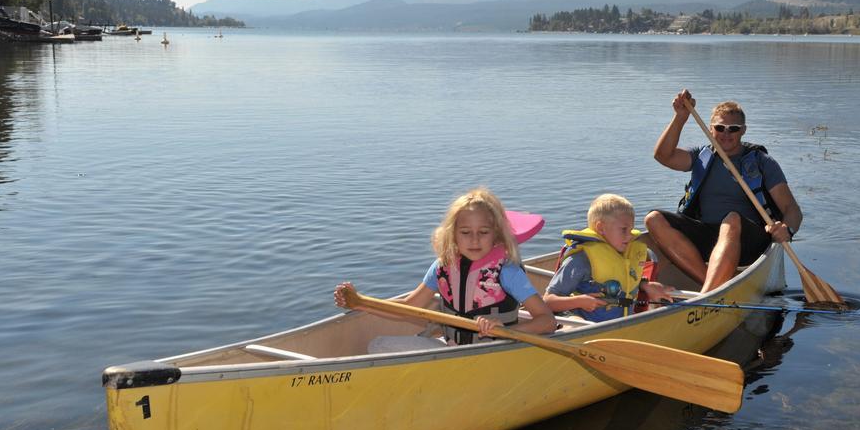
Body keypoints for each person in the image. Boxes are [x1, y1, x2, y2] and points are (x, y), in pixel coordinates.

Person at [334, 187, 557, 346]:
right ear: (453, 235)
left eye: (484, 232)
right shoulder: (443, 266)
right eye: (466, 233)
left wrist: (506, 331)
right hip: (452, 349)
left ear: (496, 235)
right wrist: (361, 303)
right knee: (379, 345)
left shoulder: (507, 271)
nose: (475, 241)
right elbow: (409, 306)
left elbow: (547, 321)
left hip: (496, 350)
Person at [644, 90, 803, 292]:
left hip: (748, 241)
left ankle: (710, 291)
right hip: (708, 236)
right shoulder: (701, 156)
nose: (726, 134)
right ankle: (711, 289)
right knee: (653, 218)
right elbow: (663, 156)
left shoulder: (762, 163)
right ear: (710, 129)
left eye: (733, 129)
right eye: (720, 127)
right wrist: (680, 117)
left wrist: (787, 229)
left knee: (731, 221)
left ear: (743, 130)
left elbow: (792, 209)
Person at [544, 193, 673, 321]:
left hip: (621, 323)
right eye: (623, 230)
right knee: (574, 322)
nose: (629, 236)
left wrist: (645, 285)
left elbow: (625, 278)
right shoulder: (580, 259)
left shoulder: (625, 253)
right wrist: (579, 301)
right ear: (601, 228)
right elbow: (548, 301)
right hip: (585, 326)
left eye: (631, 230)